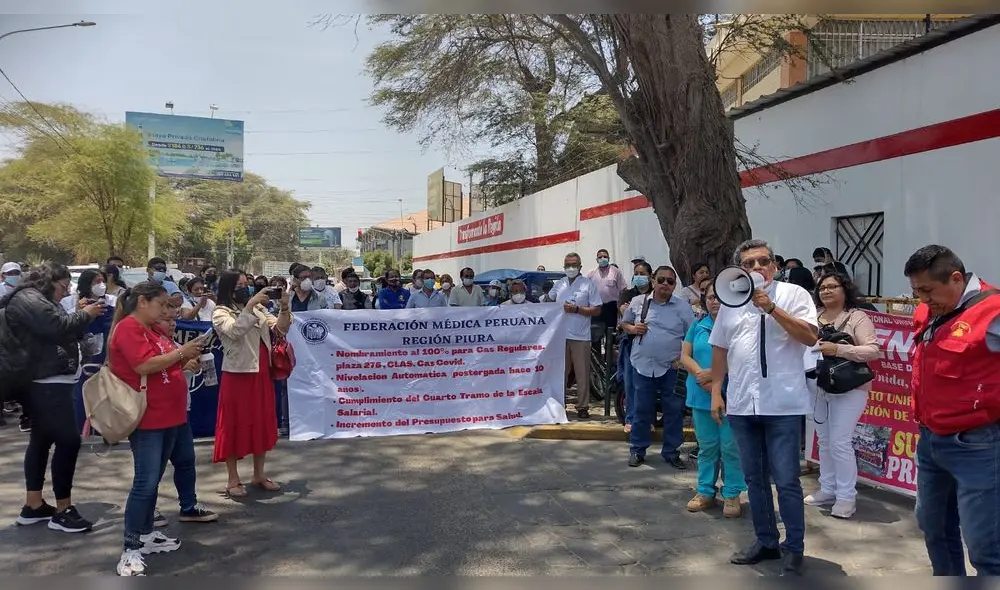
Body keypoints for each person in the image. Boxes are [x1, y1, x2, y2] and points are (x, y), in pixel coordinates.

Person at [707, 239, 819, 576]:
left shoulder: (794, 295)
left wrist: (771, 308)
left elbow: (810, 337)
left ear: (775, 265)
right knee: (754, 479)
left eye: (764, 261)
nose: (758, 268)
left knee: (786, 479)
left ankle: (794, 547)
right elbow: (720, 348)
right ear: (740, 269)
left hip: (782, 403)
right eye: (749, 263)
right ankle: (766, 541)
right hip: (743, 403)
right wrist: (716, 392)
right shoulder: (731, 300)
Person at [905, 245, 1000, 576]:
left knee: (985, 545)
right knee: (934, 528)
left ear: (956, 278)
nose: (922, 299)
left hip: (977, 444)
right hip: (930, 440)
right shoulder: (927, 311)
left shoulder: (993, 312)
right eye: (916, 291)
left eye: (928, 290)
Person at [108, 282, 208, 576]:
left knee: (153, 479)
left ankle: (146, 534)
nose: (167, 311)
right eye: (162, 304)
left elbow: (163, 365)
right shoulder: (128, 328)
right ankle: (130, 549)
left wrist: (185, 360)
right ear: (143, 301)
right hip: (149, 418)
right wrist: (181, 354)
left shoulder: (151, 330)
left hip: (170, 416)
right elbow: (142, 366)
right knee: (145, 482)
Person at [6, 262, 105, 533]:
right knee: (68, 441)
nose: (66, 290)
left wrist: (81, 317)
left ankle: (34, 505)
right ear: (49, 281)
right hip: (45, 380)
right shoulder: (29, 299)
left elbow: (62, 329)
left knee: (41, 441)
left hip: (50, 378)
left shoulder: (40, 300)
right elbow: (56, 327)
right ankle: (63, 510)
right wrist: (85, 314)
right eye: (63, 285)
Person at [805, 270, 879, 519]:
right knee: (824, 441)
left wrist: (838, 349)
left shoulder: (857, 317)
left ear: (845, 289)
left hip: (849, 388)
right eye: (822, 287)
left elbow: (872, 350)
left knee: (840, 442)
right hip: (818, 385)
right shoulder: (812, 316)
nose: (826, 291)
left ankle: (847, 496)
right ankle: (828, 488)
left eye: (832, 286)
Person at [212, 270, 291, 498]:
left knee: (261, 422)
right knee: (233, 424)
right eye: (239, 285)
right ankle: (232, 479)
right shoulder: (220, 312)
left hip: (261, 372)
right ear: (228, 288)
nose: (245, 288)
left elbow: (281, 329)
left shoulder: (258, 309)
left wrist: (284, 307)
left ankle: (259, 474)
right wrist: (249, 306)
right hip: (237, 375)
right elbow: (235, 331)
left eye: (246, 284)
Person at [150, 293, 219, 529]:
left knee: (186, 460)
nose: (172, 324)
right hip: (156, 415)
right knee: (153, 467)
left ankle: (188, 506)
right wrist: (179, 361)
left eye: (174, 319)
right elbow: (151, 369)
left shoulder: (176, 344)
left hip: (180, 411)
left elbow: (185, 367)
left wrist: (193, 363)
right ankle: (147, 509)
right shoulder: (149, 343)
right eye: (166, 319)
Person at [681, 277, 745, 516]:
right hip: (700, 395)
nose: (714, 301)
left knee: (730, 446)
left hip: (731, 396)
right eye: (710, 297)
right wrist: (701, 375)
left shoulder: (738, 325)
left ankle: (732, 494)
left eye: (719, 297)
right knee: (707, 446)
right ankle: (705, 491)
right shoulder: (698, 325)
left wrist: (715, 373)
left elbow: (744, 356)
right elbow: (684, 355)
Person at [620, 265, 694, 468]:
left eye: (670, 281)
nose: (665, 284)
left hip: (671, 368)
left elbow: (691, 336)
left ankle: (671, 452)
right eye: (661, 280)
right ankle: (637, 449)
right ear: (653, 281)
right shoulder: (638, 302)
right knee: (641, 410)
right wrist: (633, 328)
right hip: (642, 365)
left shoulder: (682, 307)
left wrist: (682, 358)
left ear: (675, 285)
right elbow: (624, 324)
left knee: (674, 411)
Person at [551, 253, 603, 419]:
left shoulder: (588, 285)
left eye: (574, 264)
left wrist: (577, 309)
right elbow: (548, 301)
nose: (571, 268)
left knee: (582, 373)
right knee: (560, 373)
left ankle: (582, 406)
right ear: (564, 266)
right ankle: (560, 404)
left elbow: (597, 309)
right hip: (560, 336)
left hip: (580, 336)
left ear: (580, 266)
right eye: (568, 265)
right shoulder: (559, 284)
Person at [617, 261, 653, 433]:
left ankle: (648, 419)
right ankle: (631, 418)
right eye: (636, 273)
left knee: (648, 384)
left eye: (642, 273)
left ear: (650, 276)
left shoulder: (656, 294)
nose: (638, 276)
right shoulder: (627, 294)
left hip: (652, 344)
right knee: (631, 383)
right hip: (631, 343)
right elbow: (624, 313)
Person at [588, 248, 628, 358]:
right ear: (596, 259)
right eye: (600, 257)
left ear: (609, 258)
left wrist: (620, 306)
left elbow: (623, 290)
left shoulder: (615, 272)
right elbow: (586, 291)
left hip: (611, 307)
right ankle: (597, 362)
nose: (602, 259)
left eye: (605, 256)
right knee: (595, 336)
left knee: (610, 336)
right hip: (596, 308)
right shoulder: (591, 274)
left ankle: (609, 362)